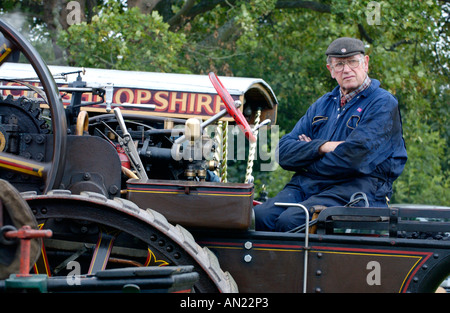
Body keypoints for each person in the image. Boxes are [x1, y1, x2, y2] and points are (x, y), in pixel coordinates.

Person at [254, 37, 408, 232]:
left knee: (291, 221)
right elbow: (282, 153)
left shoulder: (383, 103)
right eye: (340, 64)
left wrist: (307, 157)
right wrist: (323, 146)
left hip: (356, 189)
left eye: (353, 62)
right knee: (260, 217)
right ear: (331, 70)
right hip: (307, 185)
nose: (347, 69)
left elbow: (354, 158)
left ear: (366, 63)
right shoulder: (323, 104)